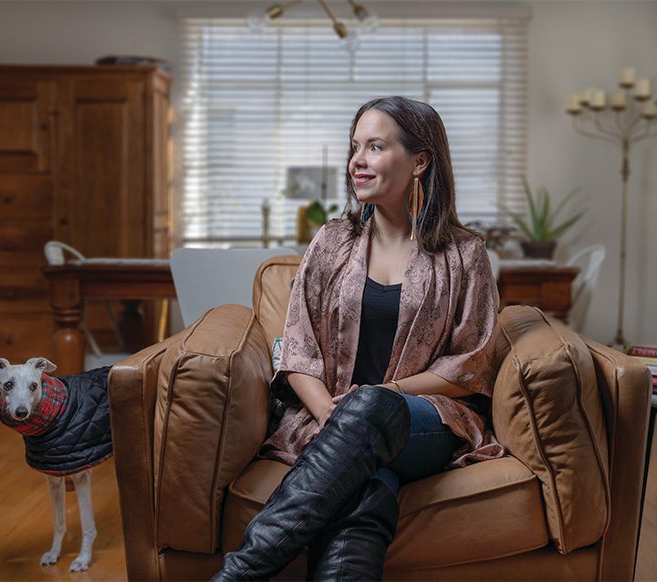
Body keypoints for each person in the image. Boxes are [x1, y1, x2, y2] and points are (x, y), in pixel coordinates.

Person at [212, 96, 504, 581]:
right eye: (354, 147)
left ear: (420, 161)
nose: (357, 161)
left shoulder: (464, 254)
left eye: (374, 146)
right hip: (332, 423)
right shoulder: (331, 242)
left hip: (425, 423)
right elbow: (298, 348)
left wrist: (375, 400)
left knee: (370, 410)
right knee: (366, 491)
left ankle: (239, 573)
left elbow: (468, 365)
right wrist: (334, 414)